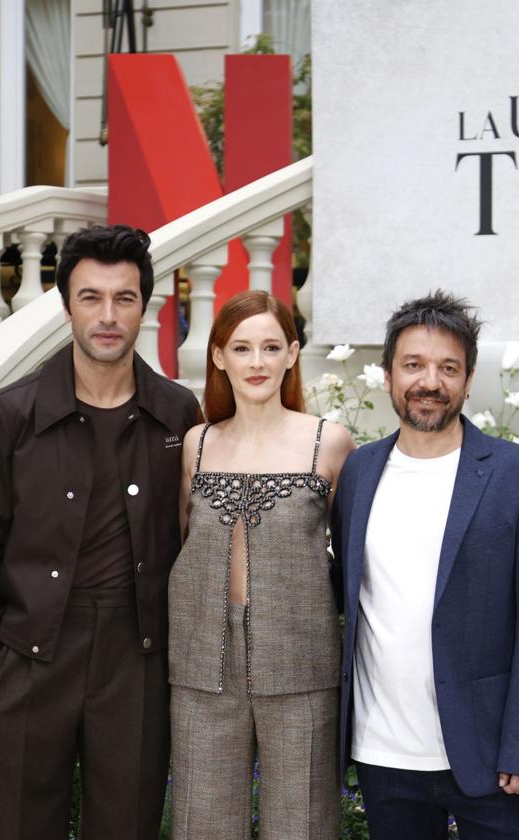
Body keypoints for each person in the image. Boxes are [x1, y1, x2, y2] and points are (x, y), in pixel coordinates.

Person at [0, 224, 202, 839]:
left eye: (124, 298)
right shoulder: (14, 412)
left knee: (125, 826)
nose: (107, 315)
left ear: (145, 306)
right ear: (66, 307)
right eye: (91, 297)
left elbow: (194, 540)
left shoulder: (177, 412)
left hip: (135, 658)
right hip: (28, 653)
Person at [331, 290, 519, 839]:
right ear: (389, 375)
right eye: (413, 365)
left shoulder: (518, 475)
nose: (429, 382)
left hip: (488, 755)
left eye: (447, 368)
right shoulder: (360, 472)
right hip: (382, 752)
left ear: (468, 379)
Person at [168, 289, 354, 839]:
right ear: (219, 356)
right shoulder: (196, 445)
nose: (257, 362)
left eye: (271, 347)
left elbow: (353, 558)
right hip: (203, 663)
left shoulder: (329, 442)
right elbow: (180, 545)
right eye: (242, 348)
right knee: (201, 822)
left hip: (301, 660)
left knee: (302, 824)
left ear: (292, 354)